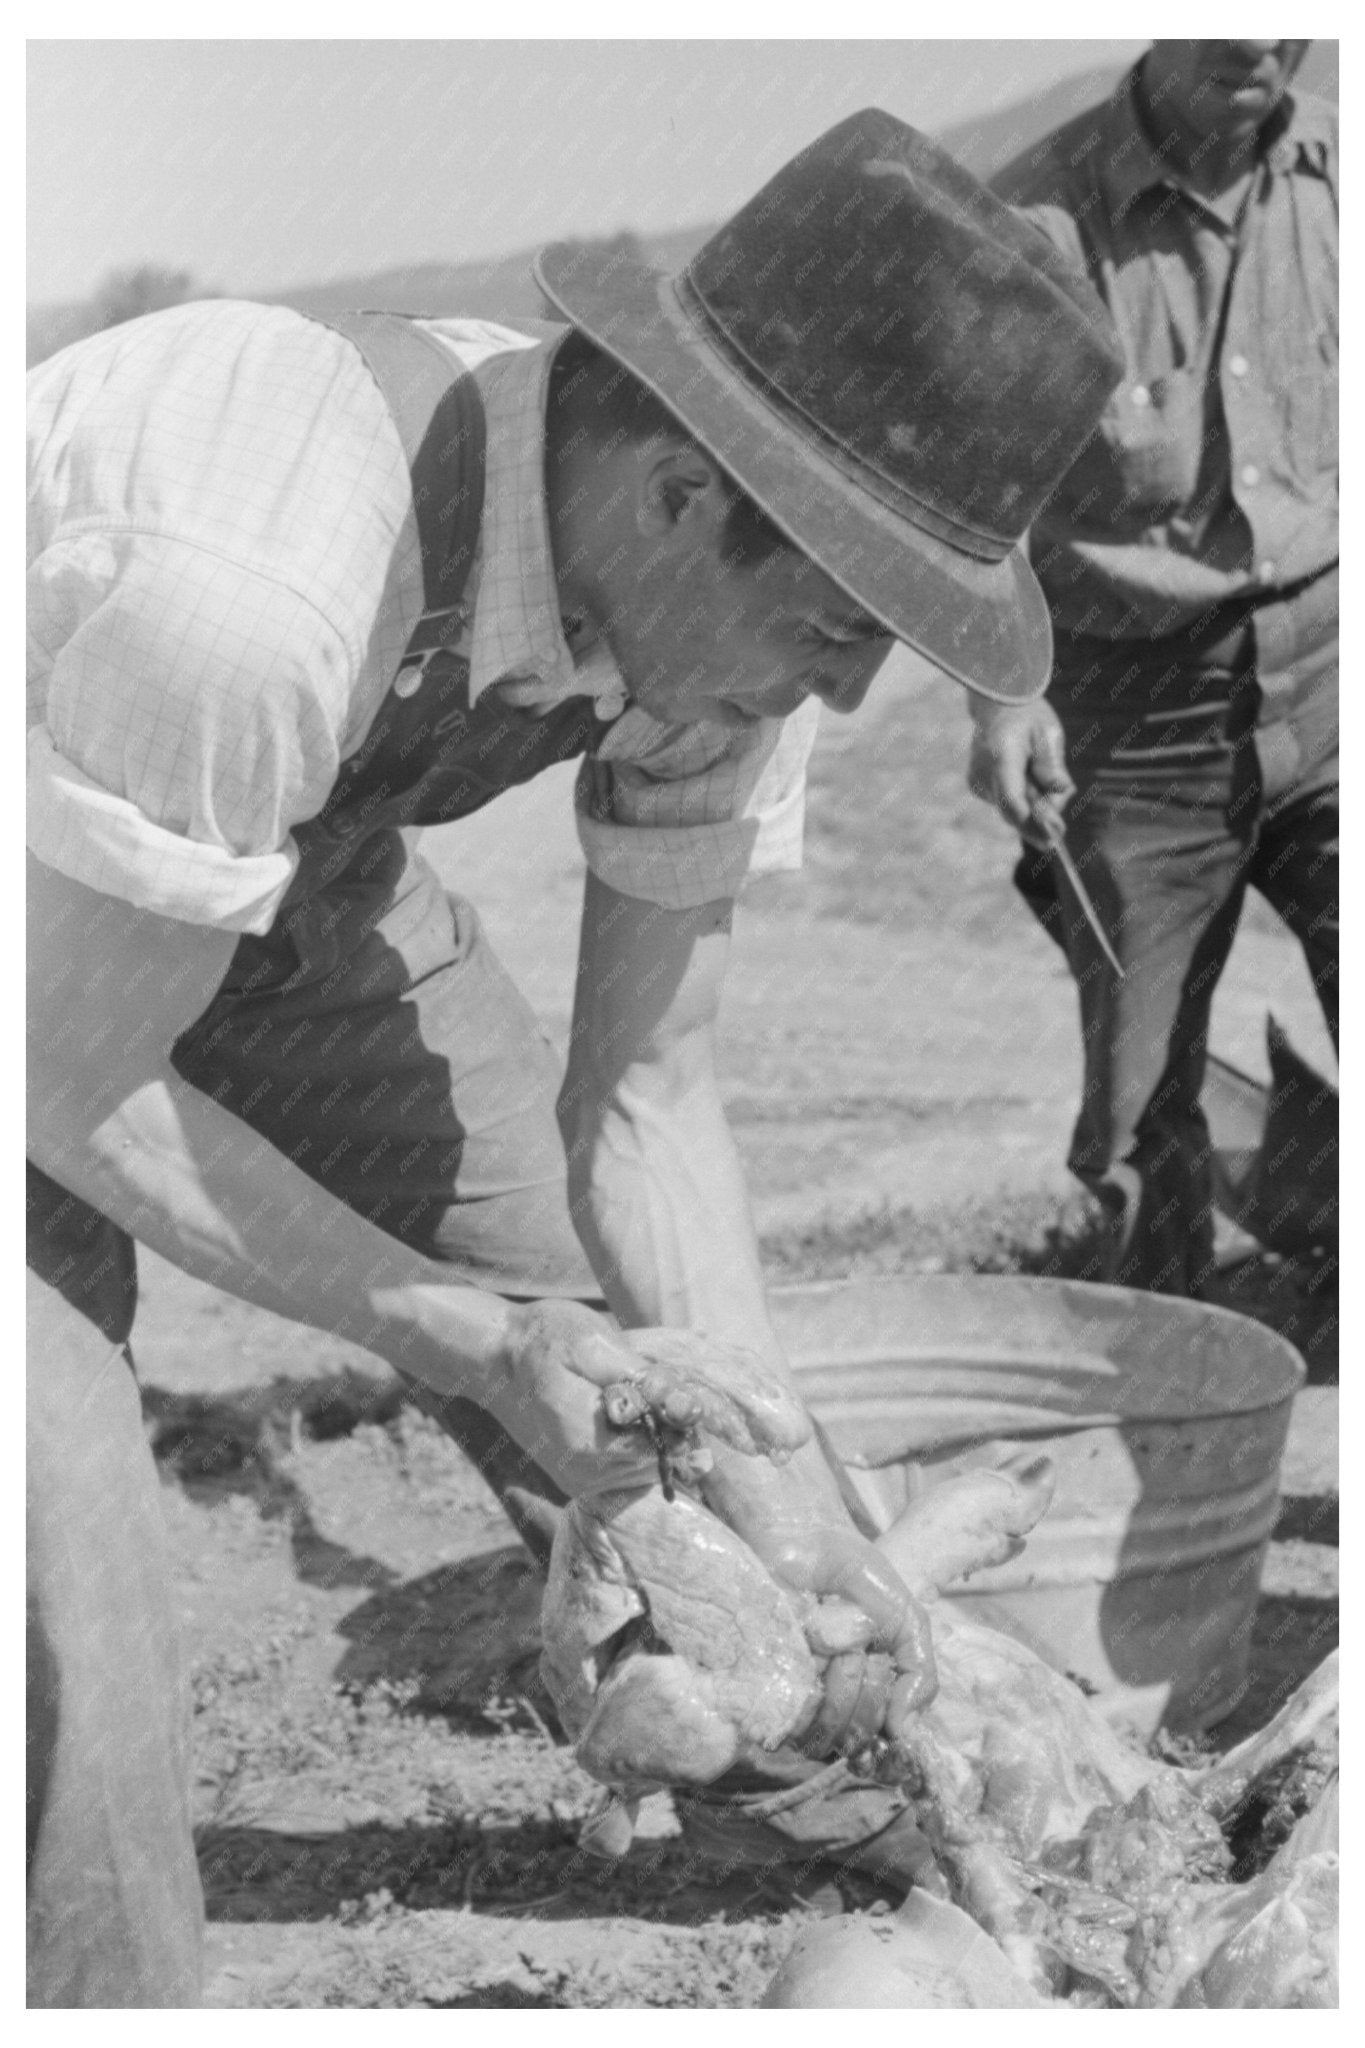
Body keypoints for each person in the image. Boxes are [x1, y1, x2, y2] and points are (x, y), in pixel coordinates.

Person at [27, 109, 1121, 2004]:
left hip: (263, 860)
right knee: (63, 1520)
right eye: (842, 627)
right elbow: (57, 1074)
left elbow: (648, 1095)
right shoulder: (265, 578)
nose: (849, 694)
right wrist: (454, 1334)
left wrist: (797, 1505)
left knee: (615, 1350)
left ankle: (831, 1789)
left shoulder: (709, 623)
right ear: (687, 493)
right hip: (39, 945)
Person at [979, 40, 1338, 1297]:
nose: (1253, 41)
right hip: (1133, 719)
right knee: (1140, 1121)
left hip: (1334, 672)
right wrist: (1003, 693)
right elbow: (961, 502)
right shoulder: (1032, 224)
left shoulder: (1341, 172)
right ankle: (1182, 1423)